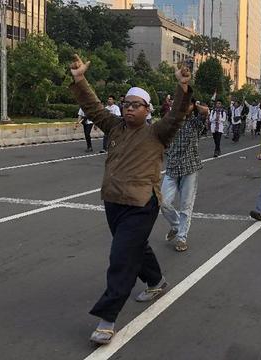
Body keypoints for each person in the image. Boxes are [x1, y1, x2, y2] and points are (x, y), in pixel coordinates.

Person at [69, 54, 193, 345]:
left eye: (136, 105)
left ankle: (107, 318)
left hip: (141, 204)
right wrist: (79, 79)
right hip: (113, 201)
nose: (129, 109)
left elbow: (176, 114)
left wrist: (183, 88)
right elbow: (92, 107)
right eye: (126, 104)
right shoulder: (114, 127)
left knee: (121, 257)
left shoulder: (157, 132)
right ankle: (156, 281)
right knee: (136, 248)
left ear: (148, 110)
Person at [161, 99, 209, 252]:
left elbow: (205, 111)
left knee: (185, 206)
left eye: (186, 104)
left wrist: (193, 105)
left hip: (190, 168)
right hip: (172, 167)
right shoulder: (170, 123)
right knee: (162, 201)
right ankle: (176, 225)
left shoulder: (195, 123)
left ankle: (182, 238)